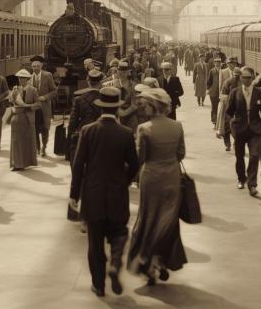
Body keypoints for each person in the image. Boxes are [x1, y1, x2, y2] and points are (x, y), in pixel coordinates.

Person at [69, 87, 140, 297]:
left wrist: (75, 195)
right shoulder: (126, 134)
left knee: (95, 242)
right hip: (117, 195)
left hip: (92, 195)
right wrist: (123, 181)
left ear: (100, 108)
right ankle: (116, 262)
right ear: (117, 109)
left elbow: (78, 165)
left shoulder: (88, 131)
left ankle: (98, 285)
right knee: (119, 233)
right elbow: (135, 166)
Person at [127, 88, 187, 285]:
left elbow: (140, 158)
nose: (143, 108)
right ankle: (162, 260)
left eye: (145, 105)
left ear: (154, 106)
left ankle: (149, 262)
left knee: (149, 219)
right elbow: (181, 154)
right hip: (171, 178)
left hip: (151, 178)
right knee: (167, 220)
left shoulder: (144, 128)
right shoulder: (177, 126)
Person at [225, 66, 261, 197]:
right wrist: (231, 126)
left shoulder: (259, 92)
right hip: (240, 129)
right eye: (243, 78)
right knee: (239, 157)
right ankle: (241, 178)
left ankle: (252, 185)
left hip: (255, 129)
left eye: (248, 78)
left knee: (254, 155)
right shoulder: (235, 92)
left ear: (252, 78)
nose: (246, 80)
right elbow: (228, 112)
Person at [68, 69, 103, 162]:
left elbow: (73, 121)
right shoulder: (105, 98)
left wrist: (70, 137)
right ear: (100, 82)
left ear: (88, 81)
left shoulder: (79, 99)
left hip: (83, 131)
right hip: (102, 131)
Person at [7, 70, 39, 170]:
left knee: (26, 141)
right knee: (16, 141)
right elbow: (11, 101)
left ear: (27, 79)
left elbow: (38, 104)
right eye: (19, 78)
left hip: (27, 118)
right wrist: (13, 94)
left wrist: (28, 107)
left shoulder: (33, 90)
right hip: (16, 118)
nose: (20, 80)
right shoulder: (16, 89)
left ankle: (25, 163)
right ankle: (16, 164)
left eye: (23, 78)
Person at [29, 56, 56, 157]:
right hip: (34, 109)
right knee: (34, 128)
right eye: (33, 66)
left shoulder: (47, 75)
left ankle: (44, 147)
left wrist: (45, 97)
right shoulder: (30, 78)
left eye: (37, 66)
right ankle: (37, 148)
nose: (35, 68)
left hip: (44, 107)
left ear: (41, 66)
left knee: (45, 128)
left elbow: (54, 91)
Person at [206, 56, 222, 129]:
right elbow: (209, 81)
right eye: (216, 62)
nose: (217, 64)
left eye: (219, 62)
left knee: (221, 108)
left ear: (221, 63)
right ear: (214, 63)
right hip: (213, 93)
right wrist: (208, 89)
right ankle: (215, 122)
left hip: (221, 92)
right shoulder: (212, 71)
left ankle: (220, 123)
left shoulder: (223, 71)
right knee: (214, 107)